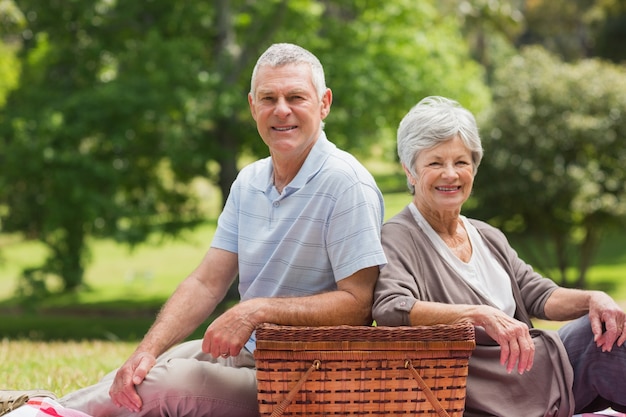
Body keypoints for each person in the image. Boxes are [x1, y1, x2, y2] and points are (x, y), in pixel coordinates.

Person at [1, 43, 387, 417]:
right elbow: (206, 282)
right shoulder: (249, 180)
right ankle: (39, 406)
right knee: (141, 370)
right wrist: (145, 349)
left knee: (161, 384)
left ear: (324, 104)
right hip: (248, 354)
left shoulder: (346, 184)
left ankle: (34, 415)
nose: (281, 110)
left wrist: (256, 311)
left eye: (296, 97)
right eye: (268, 98)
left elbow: (357, 304)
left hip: (301, 379)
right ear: (253, 107)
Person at [371, 96, 626, 417]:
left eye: (461, 162)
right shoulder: (397, 236)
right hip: (494, 393)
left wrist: (595, 298)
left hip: (540, 371)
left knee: (614, 329)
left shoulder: (487, 235)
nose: (450, 174)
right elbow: (392, 308)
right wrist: (477, 314)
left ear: (473, 169)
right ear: (410, 171)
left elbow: (541, 295)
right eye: (435, 163)